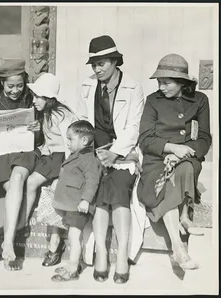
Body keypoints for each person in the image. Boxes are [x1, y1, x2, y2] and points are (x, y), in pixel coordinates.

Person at [79, 35, 145, 284]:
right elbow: (84, 121)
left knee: (117, 189)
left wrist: (115, 153)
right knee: (96, 190)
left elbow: (134, 127)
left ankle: (122, 257)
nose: (97, 69)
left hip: (122, 152)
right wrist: (93, 151)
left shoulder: (132, 86)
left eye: (102, 63)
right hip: (95, 152)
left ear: (115, 62)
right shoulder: (87, 86)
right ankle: (102, 255)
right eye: (94, 64)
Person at [138, 53, 212, 270]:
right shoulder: (153, 101)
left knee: (185, 167)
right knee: (167, 178)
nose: (161, 87)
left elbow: (205, 138)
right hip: (157, 159)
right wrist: (170, 148)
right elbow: (145, 139)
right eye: (159, 82)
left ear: (182, 82)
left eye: (167, 82)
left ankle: (184, 220)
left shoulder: (200, 100)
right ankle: (178, 247)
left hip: (187, 158)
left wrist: (184, 152)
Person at [0, 59, 40, 271]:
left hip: (24, 153)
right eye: (10, 86)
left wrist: (36, 127)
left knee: (17, 178)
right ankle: (9, 240)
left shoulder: (31, 97)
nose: (15, 91)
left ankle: (8, 242)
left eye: (19, 85)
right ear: (2, 83)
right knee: (15, 186)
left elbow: (39, 136)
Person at [17, 73, 79, 267]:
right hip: (50, 157)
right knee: (30, 181)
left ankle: (55, 243)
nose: (34, 100)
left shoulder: (62, 115)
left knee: (54, 190)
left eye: (38, 97)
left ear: (49, 98)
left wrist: (69, 169)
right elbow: (48, 141)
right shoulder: (45, 113)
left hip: (64, 158)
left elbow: (72, 143)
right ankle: (22, 223)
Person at [49, 120, 102, 282]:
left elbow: (93, 180)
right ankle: (72, 263)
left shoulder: (89, 159)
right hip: (71, 203)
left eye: (71, 139)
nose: (68, 142)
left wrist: (86, 200)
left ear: (84, 141)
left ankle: (72, 269)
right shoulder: (77, 155)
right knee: (73, 236)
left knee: (74, 236)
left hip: (77, 205)